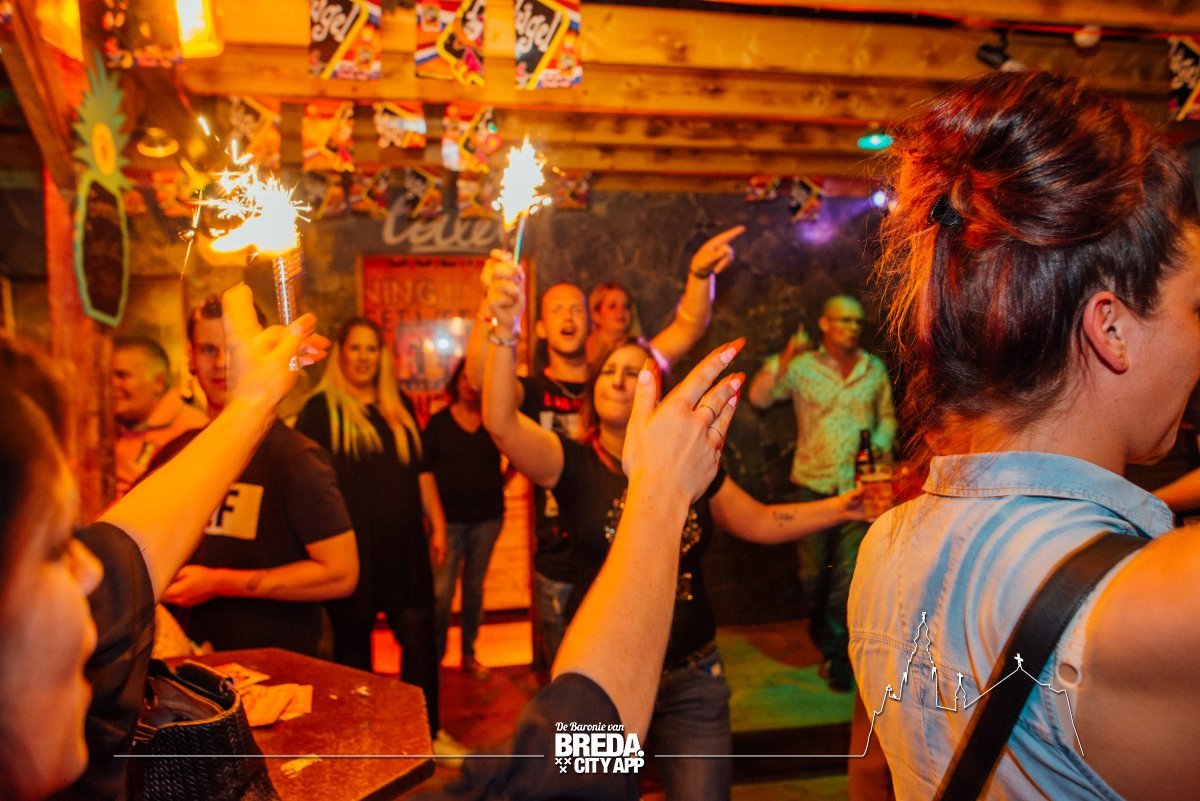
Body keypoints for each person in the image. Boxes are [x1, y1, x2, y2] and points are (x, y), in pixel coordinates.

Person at [848, 71, 1200, 799]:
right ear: (1110, 327)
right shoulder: (1155, 606)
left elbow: (870, 776)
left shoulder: (885, 546)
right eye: (1197, 308)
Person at [481, 252, 863, 801]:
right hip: (607, 681)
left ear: (654, 391)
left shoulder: (687, 464)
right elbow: (500, 422)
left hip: (693, 678)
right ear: (591, 390)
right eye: (609, 371)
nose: (620, 380)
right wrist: (503, 330)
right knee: (592, 796)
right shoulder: (570, 462)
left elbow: (760, 520)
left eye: (634, 373)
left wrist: (845, 507)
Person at [0, 286, 328, 801]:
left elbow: (124, 554)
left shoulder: (298, 458)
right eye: (55, 549)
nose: (90, 570)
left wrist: (255, 401)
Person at [149, 296, 359, 657]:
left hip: (277, 663)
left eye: (232, 350)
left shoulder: (295, 458)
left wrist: (218, 583)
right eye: (208, 350)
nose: (220, 363)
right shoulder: (176, 453)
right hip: (188, 663)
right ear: (191, 359)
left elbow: (341, 574)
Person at [294, 317, 463, 757]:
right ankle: (362, 738)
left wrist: (438, 522)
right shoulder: (320, 410)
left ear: (382, 356)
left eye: (372, 349)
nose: (364, 357)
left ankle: (427, 735)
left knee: (420, 638)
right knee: (354, 647)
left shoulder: (398, 404)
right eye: (356, 348)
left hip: (405, 544)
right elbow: (305, 487)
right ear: (341, 352)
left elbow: (421, 470)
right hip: (353, 547)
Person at [748, 294, 897, 692]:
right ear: (825, 323)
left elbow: (886, 416)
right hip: (812, 486)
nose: (852, 328)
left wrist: (878, 444)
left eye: (857, 322)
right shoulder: (802, 367)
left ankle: (836, 656)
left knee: (847, 578)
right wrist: (784, 357)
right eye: (844, 320)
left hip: (858, 489)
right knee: (813, 577)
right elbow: (759, 396)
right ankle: (820, 637)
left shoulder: (872, 368)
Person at [465, 272, 589, 675]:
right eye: (558, 310)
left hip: (615, 559)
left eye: (577, 309)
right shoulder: (533, 389)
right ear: (540, 327)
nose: (568, 317)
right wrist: (491, 309)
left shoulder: (612, 381)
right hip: (558, 563)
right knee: (570, 680)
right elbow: (480, 379)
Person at [426, 360, 506, 680]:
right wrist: (432, 520)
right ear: (456, 382)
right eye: (465, 378)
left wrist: (502, 482)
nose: (471, 386)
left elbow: (517, 454)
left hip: (487, 519)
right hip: (447, 523)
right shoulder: (438, 424)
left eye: (476, 381)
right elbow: (424, 472)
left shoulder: (494, 423)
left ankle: (469, 654)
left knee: (474, 588)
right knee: (441, 593)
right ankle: (435, 658)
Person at [584, 225, 745, 370]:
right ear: (595, 314)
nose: (621, 311)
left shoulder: (641, 358)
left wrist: (700, 273)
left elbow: (688, 327)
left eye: (626, 306)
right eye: (612, 306)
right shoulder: (578, 354)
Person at [111, 336, 208, 496]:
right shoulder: (109, 427)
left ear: (159, 382)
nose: (112, 384)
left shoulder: (193, 431)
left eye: (122, 376)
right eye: (108, 376)